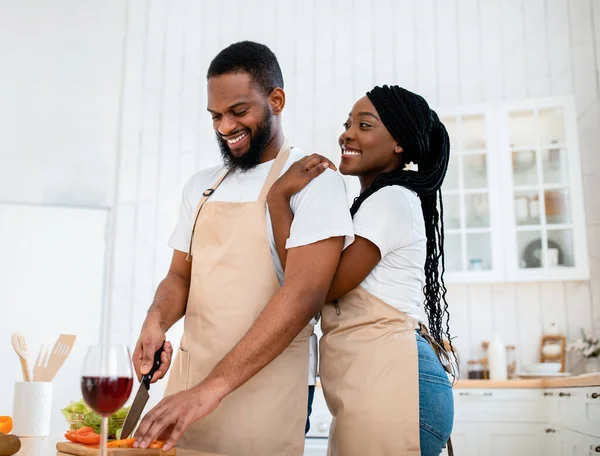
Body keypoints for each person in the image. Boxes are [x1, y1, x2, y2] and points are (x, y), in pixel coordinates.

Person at [130, 41, 354, 455]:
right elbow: (180, 275)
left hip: (265, 390)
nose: (224, 127)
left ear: (277, 100)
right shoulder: (201, 185)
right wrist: (155, 320)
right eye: (215, 116)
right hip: (188, 384)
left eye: (238, 111)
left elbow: (304, 295)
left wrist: (211, 390)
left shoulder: (314, 180)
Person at [267, 85, 455, 456]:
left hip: (394, 385)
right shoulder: (377, 202)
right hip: (382, 382)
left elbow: (317, 288)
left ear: (399, 143)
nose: (348, 133)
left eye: (364, 125)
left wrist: (278, 198)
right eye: (347, 123)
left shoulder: (390, 200)